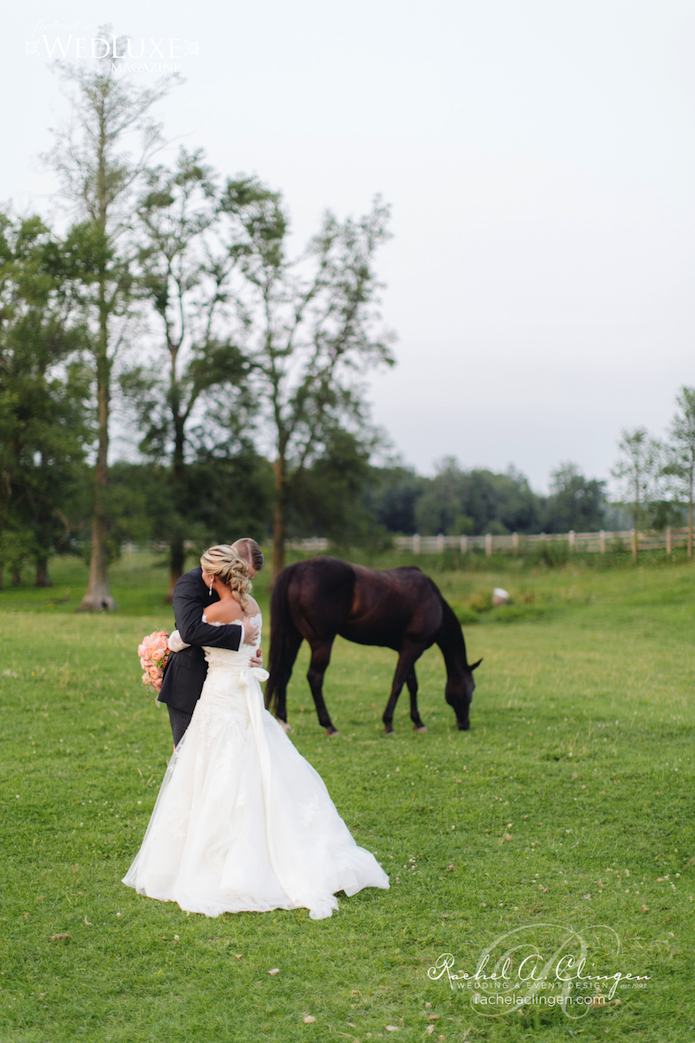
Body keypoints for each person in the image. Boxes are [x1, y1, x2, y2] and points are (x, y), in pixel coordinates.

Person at [123, 544, 389, 920]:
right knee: (260, 766)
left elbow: (183, 637)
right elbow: (250, 648)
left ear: (214, 578)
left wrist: (158, 648)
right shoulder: (254, 610)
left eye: (206, 575)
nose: (202, 579)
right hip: (244, 693)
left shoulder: (214, 610)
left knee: (211, 769)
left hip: (219, 696)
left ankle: (218, 861)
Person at [158, 539, 264, 747]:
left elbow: (180, 638)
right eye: (242, 572)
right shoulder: (190, 583)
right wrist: (240, 636)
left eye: (248, 577)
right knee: (187, 754)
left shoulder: (243, 602)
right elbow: (190, 631)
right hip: (189, 683)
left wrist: (252, 659)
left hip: (229, 688)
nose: (243, 581)